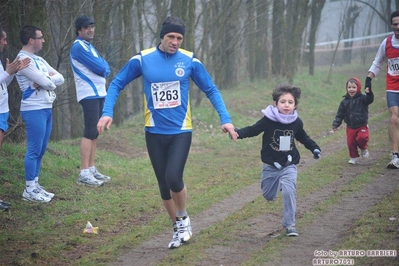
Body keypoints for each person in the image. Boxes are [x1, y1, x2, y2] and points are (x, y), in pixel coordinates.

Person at [97, 16, 237, 249]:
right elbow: (116, 83)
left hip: (181, 130)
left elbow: (211, 89)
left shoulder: (190, 60)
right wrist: (107, 112)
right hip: (153, 131)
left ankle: (183, 219)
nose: (175, 41)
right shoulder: (142, 59)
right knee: (163, 186)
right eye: (171, 36)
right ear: (162, 36)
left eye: (179, 38)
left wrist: (226, 120)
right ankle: (177, 229)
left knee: (174, 177)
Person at [231, 84, 321, 237]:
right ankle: (278, 184)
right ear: (276, 103)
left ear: (295, 105)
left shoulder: (296, 122)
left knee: (289, 190)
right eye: (283, 101)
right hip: (271, 166)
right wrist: (237, 133)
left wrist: (314, 148)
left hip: (288, 164)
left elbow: (304, 137)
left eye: (290, 102)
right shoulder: (268, 120)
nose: (286, 105)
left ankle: (290, 225)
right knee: (268, 195)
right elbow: (253, 130)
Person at [16, 25, 64, 202]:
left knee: (42, 149)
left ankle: (35, 185)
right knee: (34, 149)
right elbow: (50, 83)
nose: (43, 40)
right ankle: (29, 190)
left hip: (46, 106)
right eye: (40, 37)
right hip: (33, 108)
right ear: (31, 40)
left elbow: (59, 78)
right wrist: (45, 80)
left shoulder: (39, 60)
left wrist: (44, 80)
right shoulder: (22, 60)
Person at [70, 15, 111, 186]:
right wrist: (103, 67)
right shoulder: (78, 47)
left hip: (98, 93)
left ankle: (91, 168)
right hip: (89, 94)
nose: (91, 30)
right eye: (87, 27)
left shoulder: (89, 46)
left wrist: (103, 67)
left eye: (92, 26)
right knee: (89, 132)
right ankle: (84, 173)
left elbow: (104, 66)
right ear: (79, 30)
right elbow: (101, 67)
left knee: (95, 132)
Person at [0, 26, 30, 210]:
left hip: (3, 110)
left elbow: (3, 83)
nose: (5, 42)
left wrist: (12, 72)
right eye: (3, 39)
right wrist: (7, 72)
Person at [366, 10, 399, 169]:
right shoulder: (386, 43)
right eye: (395, 24)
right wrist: (368, 79)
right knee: (394, 118)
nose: (398, 26)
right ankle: (395, 155)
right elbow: (378, 62)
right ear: (391, 25)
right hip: (393, 86)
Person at [332, 77, 374, 164]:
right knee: (351, 143)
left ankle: (363, 148)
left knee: (362, 137)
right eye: (349, 87)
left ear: (358, 88)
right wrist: (336, 124)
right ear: (347, 88)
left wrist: (369, 93)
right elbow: (340, 114)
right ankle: (354, 157)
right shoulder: (344, 102)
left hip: (362, 124)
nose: (351, 89)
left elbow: (370, 99)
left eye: (354, 87)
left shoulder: (363, 98)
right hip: (350, 126)